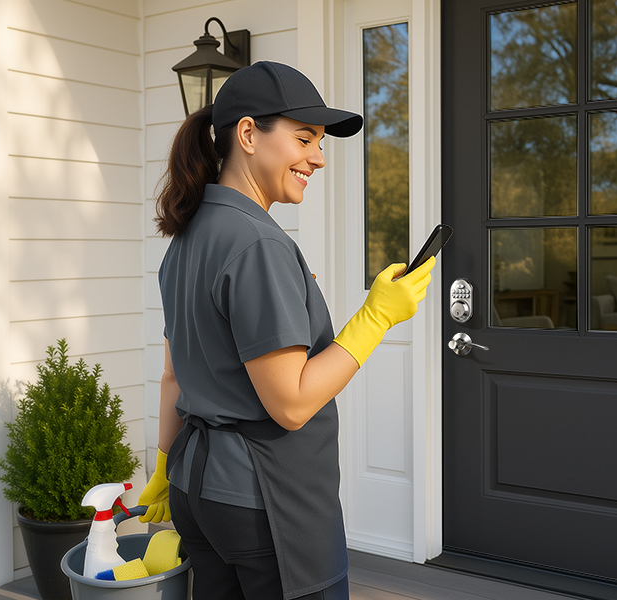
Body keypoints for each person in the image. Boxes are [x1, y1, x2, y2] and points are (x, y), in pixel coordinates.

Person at [134, 61, 435, 600]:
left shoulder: (188, 235)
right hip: (266, 501)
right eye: (304, 138)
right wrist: (377, 317)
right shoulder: (258, 243)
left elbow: (173, 376)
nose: (318, 157)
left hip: (196, 489)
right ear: (249, 134)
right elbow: (291, 404)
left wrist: (163, 464)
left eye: (319, 142)